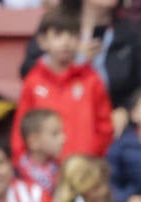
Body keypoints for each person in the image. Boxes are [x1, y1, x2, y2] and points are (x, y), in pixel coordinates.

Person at [13, 9, 113, 162]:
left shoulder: (91, 79)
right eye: (58, 35)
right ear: (42, 41)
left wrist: (92, 158)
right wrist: (22, 163)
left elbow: (104, 127)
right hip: (43, 171)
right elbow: (21, 128)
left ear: (80, 40)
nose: (66, 42)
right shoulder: (33, 81)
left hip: (83, 168)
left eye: (72, 35)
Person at [14, 110, 65, 195]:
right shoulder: (17, 176)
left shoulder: (61, 169)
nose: (63, 139)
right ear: (33, 141)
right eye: (55, 134)